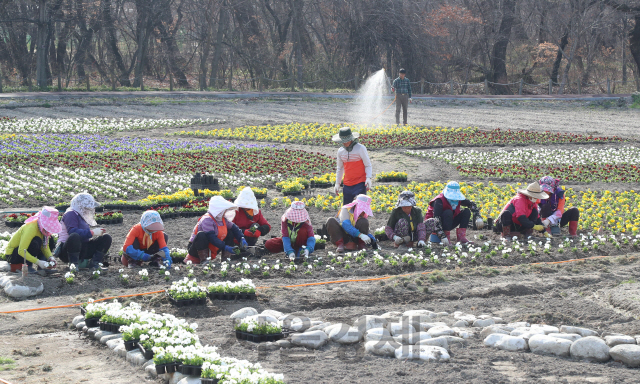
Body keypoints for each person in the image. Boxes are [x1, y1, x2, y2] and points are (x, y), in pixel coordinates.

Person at [57, 193, 112, 270]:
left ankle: (95, 263)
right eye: (86, 207)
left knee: (106, 238)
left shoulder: (81, 215)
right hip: (67, 251)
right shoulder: (70, 214)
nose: (88, 210)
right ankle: (73, 264)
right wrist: (92, 233)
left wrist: (96, 233)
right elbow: (72, 232)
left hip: (82, 248)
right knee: (74, 236)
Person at [186, 196, 247, 264]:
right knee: (201, 235)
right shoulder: (207, 219)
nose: (225, 212)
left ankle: (225, 259)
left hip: (212, 248)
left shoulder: (222, 219)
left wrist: (241, 238)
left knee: (230, 232)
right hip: (196, 249)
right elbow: (211, 237)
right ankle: (204, 260)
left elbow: (234, 227)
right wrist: (225, 247)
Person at [5, 206, 60, 273]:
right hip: (13, 255)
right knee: (36, 241)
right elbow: (21, 250)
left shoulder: (43, 230)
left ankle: (43, 267)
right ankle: (28, 266)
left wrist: (50, 257)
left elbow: (45, 247)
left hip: (21, 253)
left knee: (50, 240)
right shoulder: (31, 228)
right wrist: (38, 262)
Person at [333, 127, 373, 205]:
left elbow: (367, 164)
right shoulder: (340, 151)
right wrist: (337, 183)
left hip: (360, 183)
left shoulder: (360, 148)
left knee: (359, 208)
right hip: (347, 185)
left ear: (351, 139)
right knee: (347, 209)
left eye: (346, 141)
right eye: (343, 141)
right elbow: (340, 168)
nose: (345, 143)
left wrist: (368, 178)